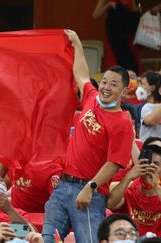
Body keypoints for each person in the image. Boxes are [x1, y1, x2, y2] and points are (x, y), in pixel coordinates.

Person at [42, 30, 134, 243]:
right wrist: (77, 43)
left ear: (123, 91)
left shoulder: (122, 123)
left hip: (90, 194)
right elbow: (81, 74)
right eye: (104, 82)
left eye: (113, 84)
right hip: (63, 185)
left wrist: (89, 187)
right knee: (46, 239)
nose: (106, 87)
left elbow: (114, 163)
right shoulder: (92, 97)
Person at [107, 136, 161, 235]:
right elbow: (111, 204)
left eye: (156, 164)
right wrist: (128, 178)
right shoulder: (132, 188)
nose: (150, 167)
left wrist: (156, 186)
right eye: (148, 163)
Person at [92, 0, 140, 74]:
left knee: (131, 65)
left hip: (128, 35)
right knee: (114, 66)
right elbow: (95, 15)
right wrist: (108, 5)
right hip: (114, 35)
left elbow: (135, 11)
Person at [139, 72, 161, 141]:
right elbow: (150, 120)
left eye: (142, 84)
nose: (139, 87)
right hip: (149, 149)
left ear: (152, 88)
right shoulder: (147, 107)